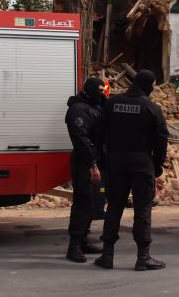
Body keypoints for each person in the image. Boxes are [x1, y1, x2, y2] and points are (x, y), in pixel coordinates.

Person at [94, 69, 169, 271]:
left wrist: (102, 159)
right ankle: (143, 257)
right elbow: (162, 138)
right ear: (149, 84)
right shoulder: (151, 107)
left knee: (114, 207)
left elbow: (98, 132)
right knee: (143, 209)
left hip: (115, 162)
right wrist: (157, 164)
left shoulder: (112, 104)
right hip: (142, 163)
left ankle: (107, 255)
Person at [64, 76, 108, 263]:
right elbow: (81, 140)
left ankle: (83, 240)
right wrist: (92, 164)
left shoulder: (94, 107)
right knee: (82, 203)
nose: (101, 94)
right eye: (98, 91)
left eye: (102, 90)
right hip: (85, 163)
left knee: (92, 202)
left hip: (97, 161)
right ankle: (73, 247)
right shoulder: (78, 110)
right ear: (89, 90)